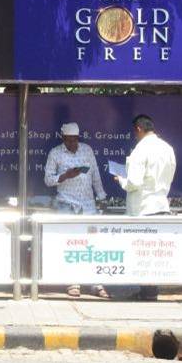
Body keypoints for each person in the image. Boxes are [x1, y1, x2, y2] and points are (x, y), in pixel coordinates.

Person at [113, 115, 176, 301]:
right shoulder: (168, 148)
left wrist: (121, 179)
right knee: (154, 252)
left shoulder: (141, 150)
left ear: (138, 129)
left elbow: (134, 182)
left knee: (142, 252)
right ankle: (150, 291)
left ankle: (148, 292)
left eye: (135, 132)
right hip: (161, 204)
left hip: (143, 208)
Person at [44, 121, 108, 298]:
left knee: (92, 245)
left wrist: (101, 197)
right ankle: (73, 282)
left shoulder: (86, 150)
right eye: (69, 140)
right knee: (70, 244)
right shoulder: (55, 153)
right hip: (66, 204)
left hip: (88, 204)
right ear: (63, 138)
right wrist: (65, 176)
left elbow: (95, 175)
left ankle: (96, 283)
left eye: (75, 140)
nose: (73, 143)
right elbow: (48, 180)